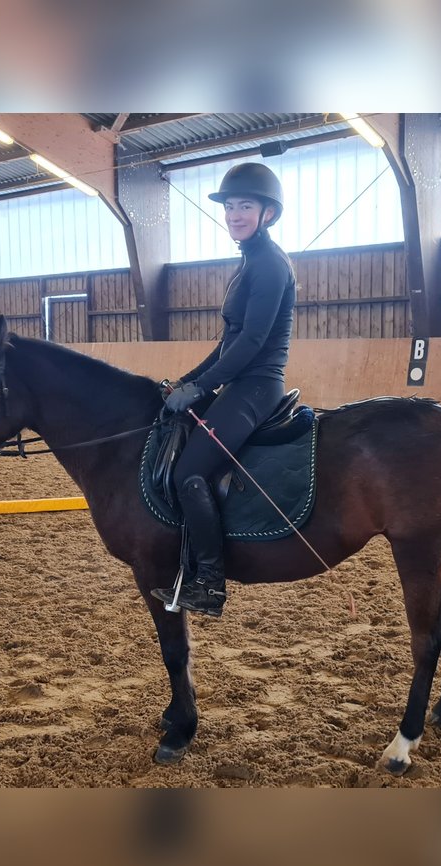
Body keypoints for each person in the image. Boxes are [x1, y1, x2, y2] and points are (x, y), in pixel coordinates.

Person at [150, 162, 296, 618]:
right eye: (230, 206)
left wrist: (200, 388)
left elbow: (252, 343)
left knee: (189, 473)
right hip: (238, 380)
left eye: (244, 206)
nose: (234, 214)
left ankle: (210, 583)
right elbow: (226, 344)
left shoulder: (269, 265)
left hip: (257, 386)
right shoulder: (249, 261)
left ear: (267, 213)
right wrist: (188, 381)